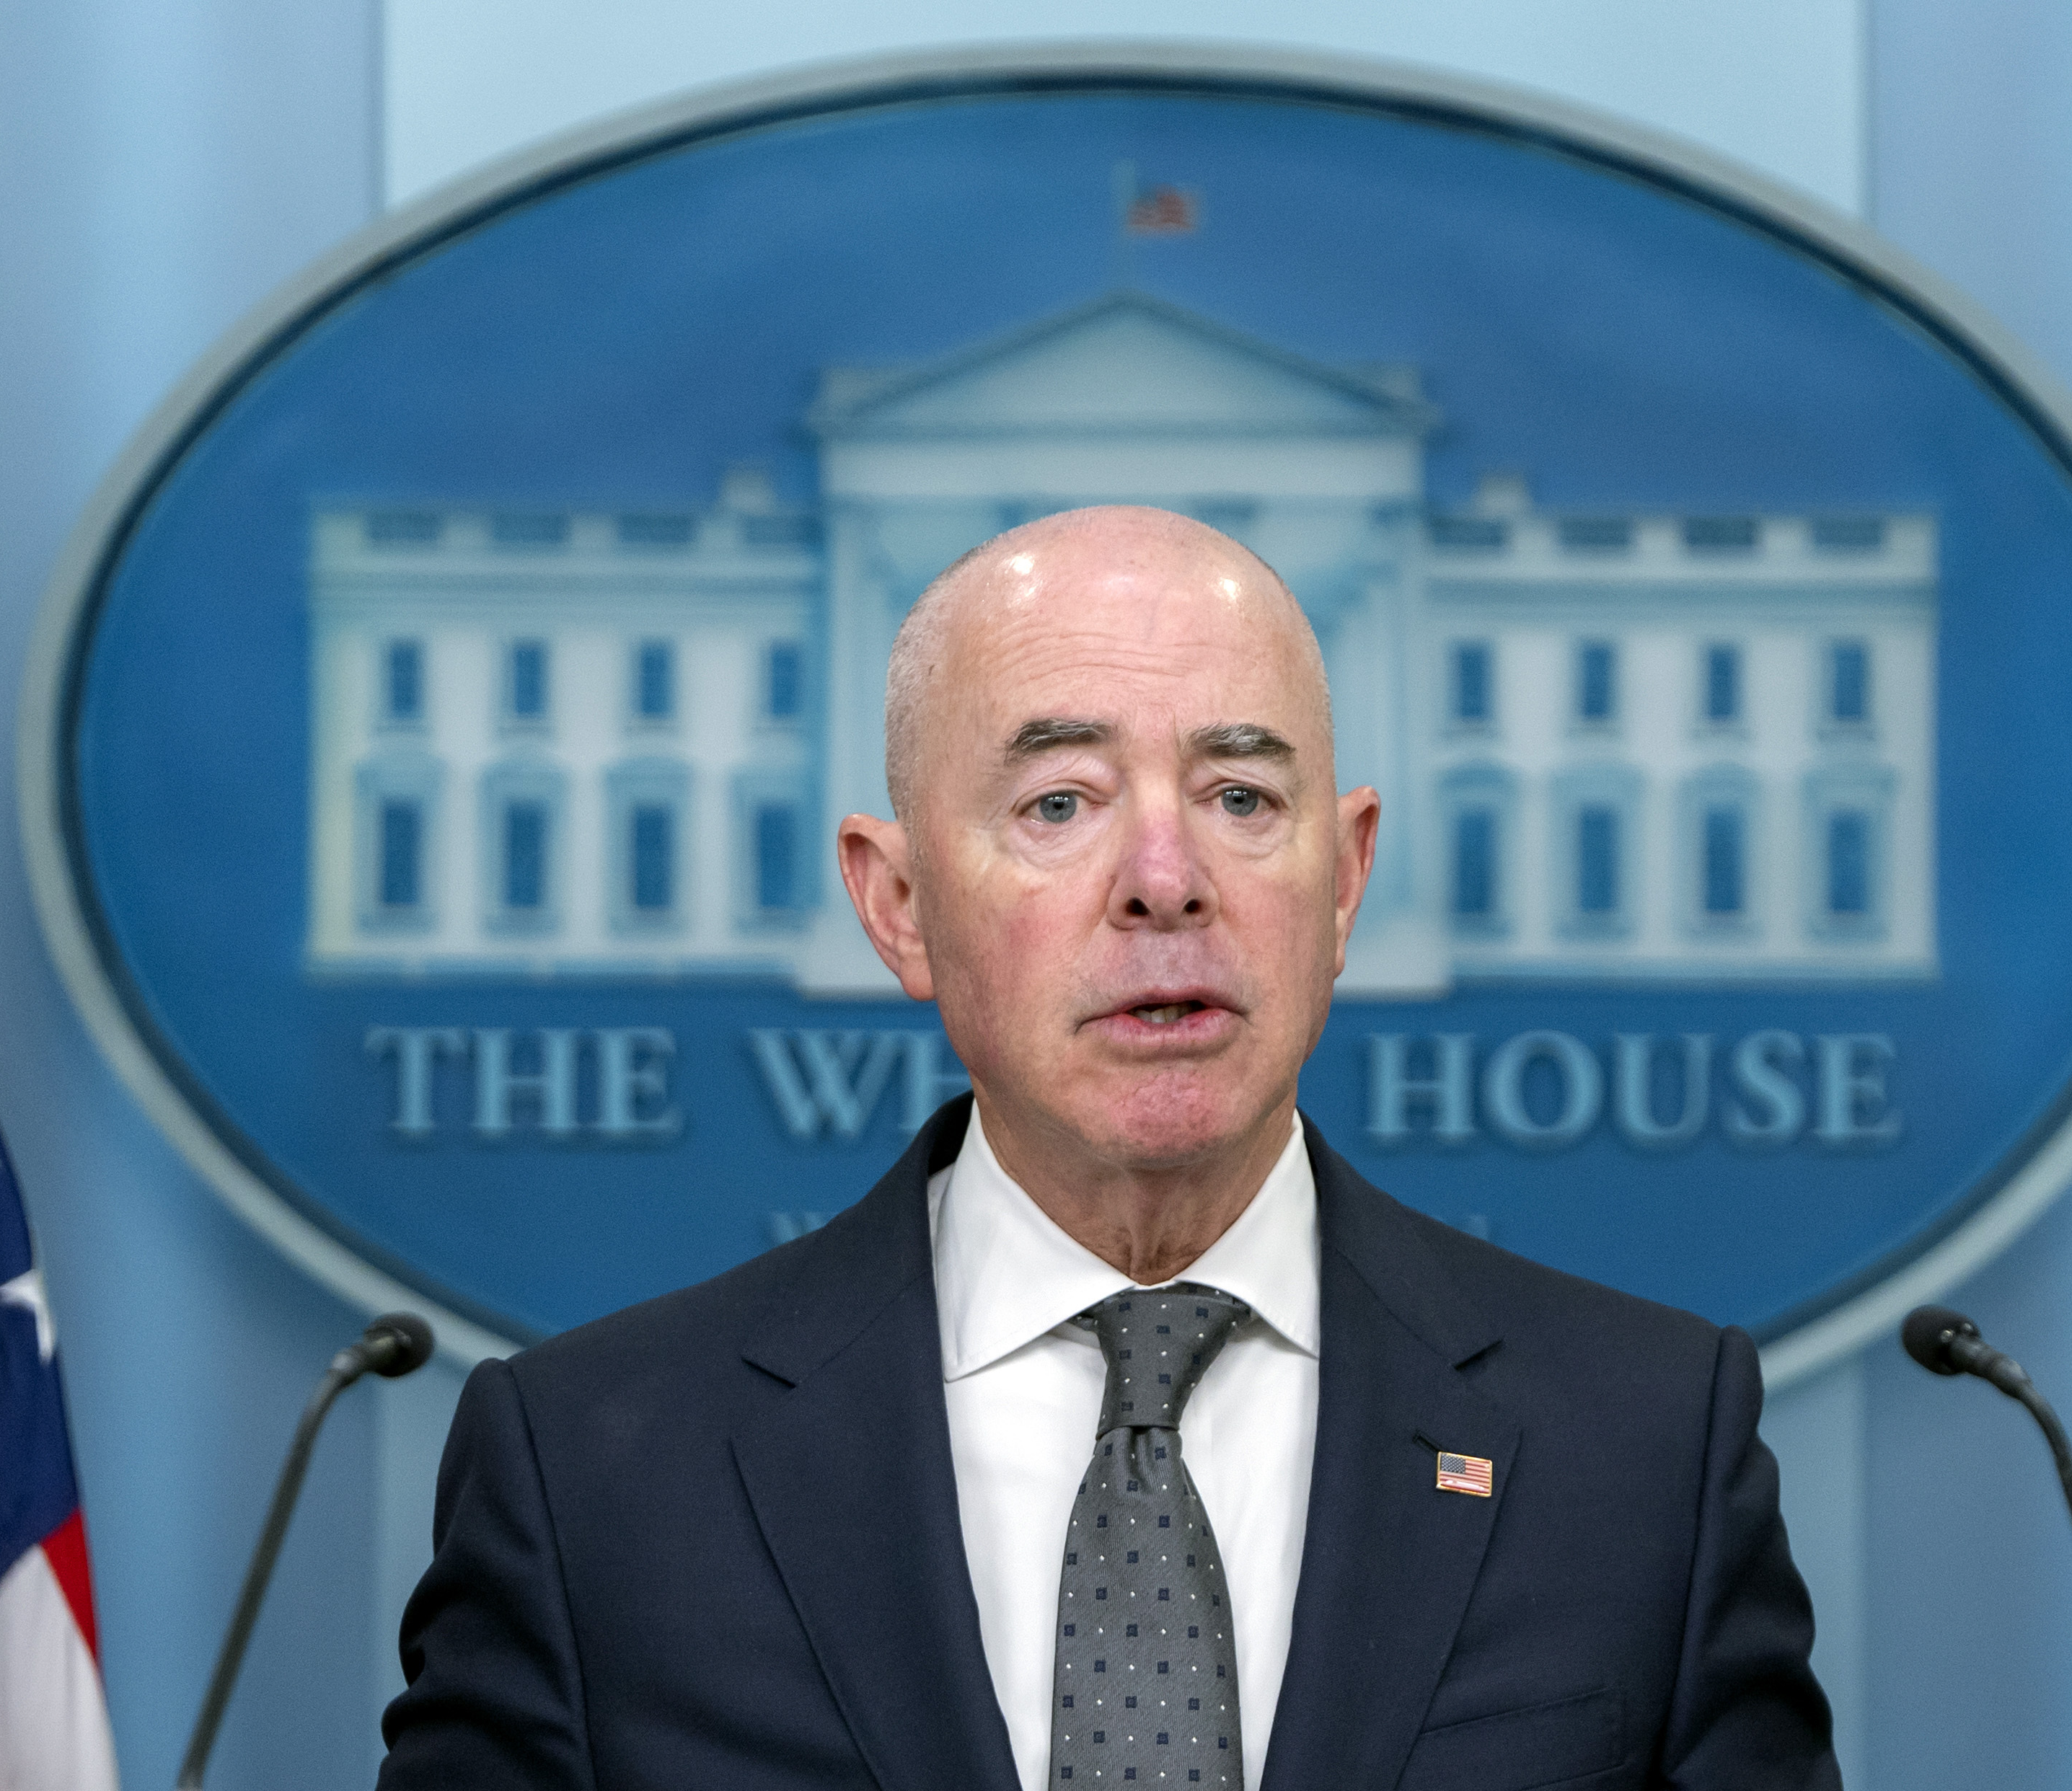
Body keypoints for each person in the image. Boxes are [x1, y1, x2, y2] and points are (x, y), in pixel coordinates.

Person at [377, 506, 1839, 1790]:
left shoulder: (1644, 1450)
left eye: (1243, 799)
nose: (1163, 882)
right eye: (1060, 803)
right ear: (896, 906)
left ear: (1345, 883)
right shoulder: (592, 1478)